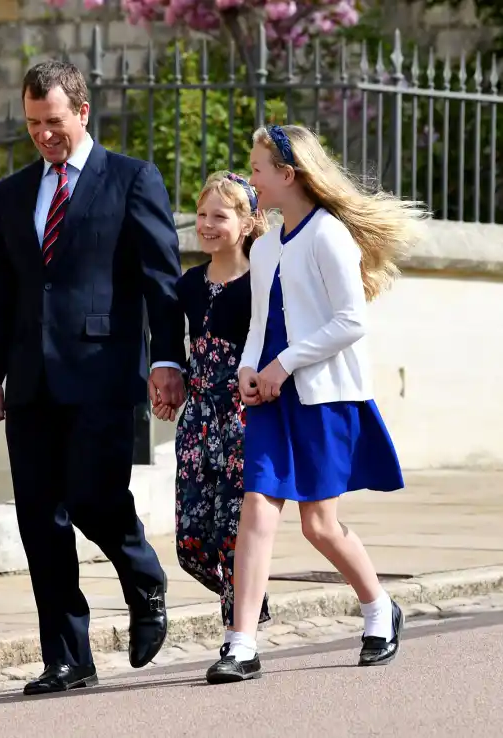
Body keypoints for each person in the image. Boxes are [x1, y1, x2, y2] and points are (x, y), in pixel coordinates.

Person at [0, 60, 187, 695]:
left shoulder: (130, 179)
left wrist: (167, 360)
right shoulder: (12, 193)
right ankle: (68, 657)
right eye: (34, 123)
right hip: (30, 378)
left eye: (55, 122)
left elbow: (162, 280)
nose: (44, 135)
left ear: (83, 113)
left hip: (102, 371)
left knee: (94, 496)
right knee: (41, 517)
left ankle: (143, 576)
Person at [204, 124, 429, 684]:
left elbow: (351, 321)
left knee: (320, 525)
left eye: (258, 169)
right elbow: (259, 324)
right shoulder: (270, 243)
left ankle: (379, 609)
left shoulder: (329, 234)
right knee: (257, 509)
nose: (251, 178)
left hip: (322, 395)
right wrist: (249, 370)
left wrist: (285, 365)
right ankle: (242, 642)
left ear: (288, 174)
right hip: (271, 397)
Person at [155, 172, 271, 656]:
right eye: (201, 215)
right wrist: (173, 385)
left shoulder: (261, 283)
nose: (206, 224)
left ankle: (237, 637)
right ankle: (251, 595)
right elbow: (182, 352)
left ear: (246, 224)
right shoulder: (188, 285)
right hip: (198, 421)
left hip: (241, 422)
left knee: (230, 532)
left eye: (219, 216)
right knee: (191, 542)